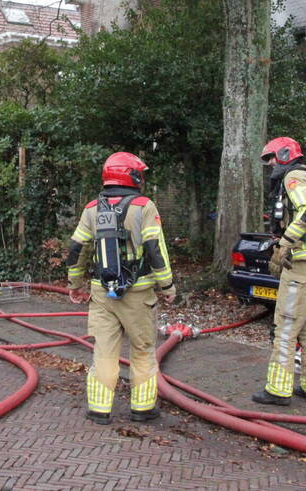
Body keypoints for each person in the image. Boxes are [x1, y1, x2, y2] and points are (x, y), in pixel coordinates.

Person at [64, 152, 176, 425]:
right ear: (134, 176)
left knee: (104, 351)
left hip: (102, 293)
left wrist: (75, 284)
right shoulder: (144, 206)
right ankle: (142, 408)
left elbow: (77, 250)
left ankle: (99, 410)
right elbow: (154, 249)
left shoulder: (92, 208)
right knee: (143, 350)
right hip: (138, 294)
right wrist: (168, 285)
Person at [252, 137, 306, 406]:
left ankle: (278, 390)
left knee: (285, 326)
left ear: (284, 154)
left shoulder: (293, 177)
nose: (270, 163)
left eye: (271, 157)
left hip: (300, 264)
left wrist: (284, 244)